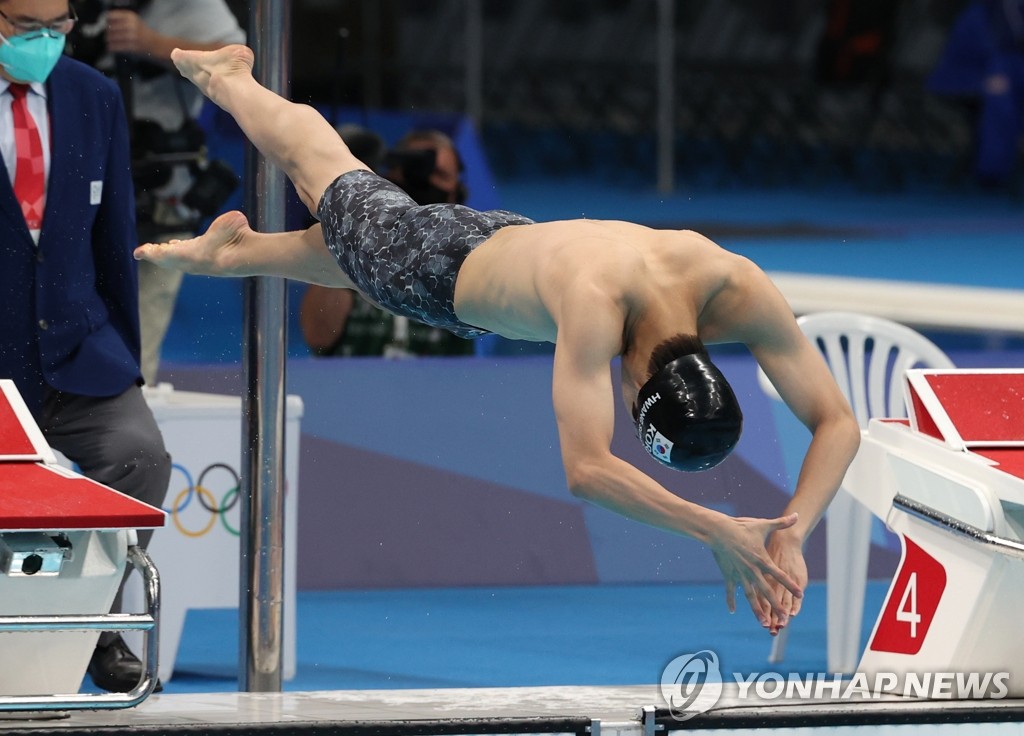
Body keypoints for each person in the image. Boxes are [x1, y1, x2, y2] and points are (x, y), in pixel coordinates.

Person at [136, 45, 862, 635]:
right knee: (327, 174)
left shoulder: (735, 285)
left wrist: (792, 531)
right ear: (642, 383)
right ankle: (231, 80)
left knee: (365, 244)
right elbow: (586, 469)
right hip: (449, 273)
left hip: (505, 243)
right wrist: (713, 529)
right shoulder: (596, 305)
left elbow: (837, 424)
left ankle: (234, 253)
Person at [0, 0, 171, 692]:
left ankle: (89, 623)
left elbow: (115, 236)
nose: (42, 40)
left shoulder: (93, 95)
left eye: (57, 26)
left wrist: (123, 359)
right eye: (23, 25)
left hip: (78, 349)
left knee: (139, 455)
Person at [66, 0, 245, 384]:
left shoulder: (189, 4)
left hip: (160, 192)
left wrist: (153, 42)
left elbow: (240, 59)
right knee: (62, 316)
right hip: (74, 182)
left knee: (138, 328)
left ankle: (127, 410)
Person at [300, 128, 474, 357]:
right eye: (416, 170)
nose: (426, 181)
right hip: (351, 382)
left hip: (435, 386)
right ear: (392, 173)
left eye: (440, 175)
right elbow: (319, 336)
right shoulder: (356, 238)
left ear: (456, 193)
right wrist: (341, 213)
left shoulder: (463, 253)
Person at [928, 0, 1024, 186]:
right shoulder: (987, 13)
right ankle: (992, 173)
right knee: (1000, 95)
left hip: (1007, 73)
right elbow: (992, 53)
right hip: (975, 76)